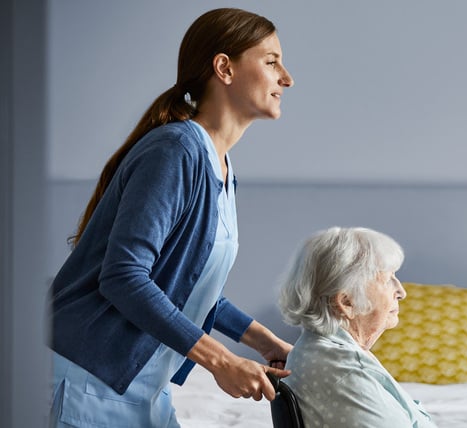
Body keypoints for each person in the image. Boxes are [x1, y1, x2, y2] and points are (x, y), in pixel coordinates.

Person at [48, 7, 295, 427]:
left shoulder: (222, 167)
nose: (286, 78)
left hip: (145, 388)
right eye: (271, 61)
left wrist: (264, 341)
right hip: (90, 381)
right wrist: (220, 361)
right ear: (225, 68)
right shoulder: (176, 151)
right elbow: (124, 276)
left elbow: (186, 287)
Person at [278, 227, 439, 427]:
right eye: (388, 279)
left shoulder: (315, 349)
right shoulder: (349, 373)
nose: (401, 291)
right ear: (347, 302)